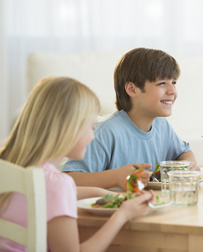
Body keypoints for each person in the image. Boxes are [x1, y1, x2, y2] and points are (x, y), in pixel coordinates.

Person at [0, 76, 156, 252]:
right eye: (90, 126)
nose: (93, 136)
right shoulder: (57, 183)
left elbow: (58, 193)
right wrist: (122, 215)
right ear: (68, 127)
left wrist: (114, 197)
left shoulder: (14, 169)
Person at [63, 48, 200, 189]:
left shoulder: (162, 125)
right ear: (132, 89)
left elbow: (184, 153)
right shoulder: (106, 132)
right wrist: (116, 177)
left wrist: (188, 167)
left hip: (152, 204)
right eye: (162, 83)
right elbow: (70, 178)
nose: (172, 90)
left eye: (174, 82)